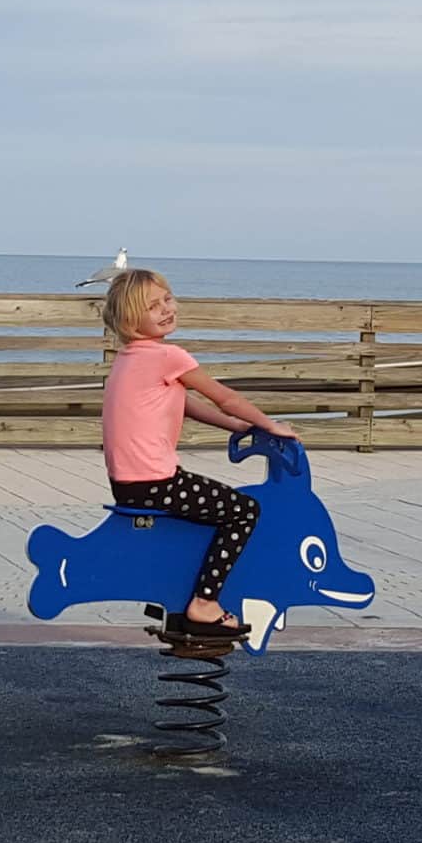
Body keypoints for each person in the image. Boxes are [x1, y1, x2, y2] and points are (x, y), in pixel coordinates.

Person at [99, 268, 298, 636]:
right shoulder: (168, 356)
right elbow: (225, 396)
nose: (165, 309)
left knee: (207, 509)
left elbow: (183, 403)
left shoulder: (130, 358)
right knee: (243, 511)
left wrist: (236, 427)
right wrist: (270, 425)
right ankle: (205, 603)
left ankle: (172, 587)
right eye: (152, 306)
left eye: (167, 299)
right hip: (156, 480)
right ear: (129, 319)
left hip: (128, 482)